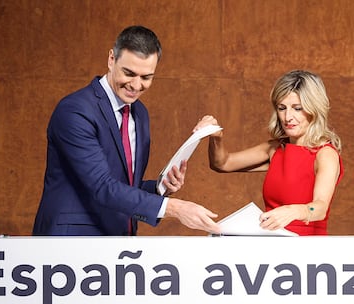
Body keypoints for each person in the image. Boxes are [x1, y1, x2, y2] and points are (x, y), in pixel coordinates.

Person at [33, 25, 220, 236]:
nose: (136, 85)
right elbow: (102, 186)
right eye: (129, 73)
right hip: (70, 244)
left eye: (146, 77)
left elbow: (122, 185)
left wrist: (160, 188)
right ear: (111, 59)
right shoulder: (75, 111)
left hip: (118, 242)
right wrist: (173, 208)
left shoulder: (139, 113)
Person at [194, 69, 343, 236]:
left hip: (306, 249)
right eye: (282, 108)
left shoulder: (325, 154)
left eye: (297, 108)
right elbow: (222, 163)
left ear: (314, 109)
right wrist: (216, 136)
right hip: (271, 243)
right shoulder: (275, 149)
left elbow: (320, 207)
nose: (288, 117)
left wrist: (294, 211)